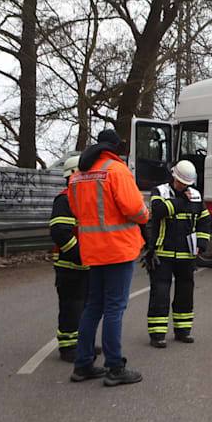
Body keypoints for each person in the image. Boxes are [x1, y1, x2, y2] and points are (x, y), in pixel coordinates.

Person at [68, 129, 150, 386]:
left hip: (93, 250)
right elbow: (135, 209)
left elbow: (75, 209)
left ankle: (82, 365)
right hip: (118, 249)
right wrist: (145, 216)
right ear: (114, 147)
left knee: (93, 307)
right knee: (115, 308)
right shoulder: (116, 170)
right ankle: (115, 367)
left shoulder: (78, 176)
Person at [143, 160, 212, 347]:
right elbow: (158, 211)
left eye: (187, 184)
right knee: (160, 293)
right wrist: (182, 201)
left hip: (186, 255)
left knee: (185, 294)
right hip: (162, 253)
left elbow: (205, 220)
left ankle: (183, 331)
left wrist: (202, 243)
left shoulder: (196, 196)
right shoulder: (160, 191)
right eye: (182, 183)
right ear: (174, 177)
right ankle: (157, 334)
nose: (184, 187)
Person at [50, 156, 89, 362]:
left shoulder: (82, 198)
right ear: (74, 174)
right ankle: (68, 347)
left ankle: (82, 343)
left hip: (85, 265)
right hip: (69, 265)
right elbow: (60, 232)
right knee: (71, 307)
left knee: (84, 306)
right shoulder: (65, 199)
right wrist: (79, 255)